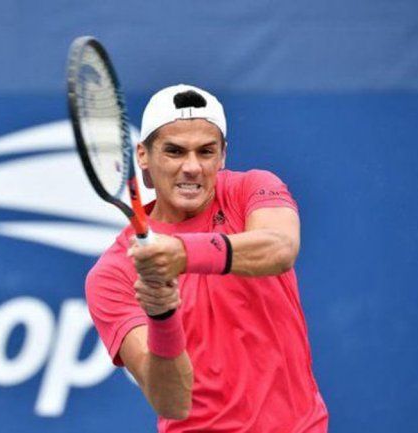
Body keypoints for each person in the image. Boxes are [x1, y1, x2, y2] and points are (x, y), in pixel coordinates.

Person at [85, 84, 329, 433]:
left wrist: (184, 253)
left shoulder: (251, 190)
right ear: (143, 155)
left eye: (206, 152)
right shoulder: (113, 274)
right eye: (174, 151)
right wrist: (163, 315)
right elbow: (172, 402)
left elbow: (280, 247)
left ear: (223, 155)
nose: (192, 167)